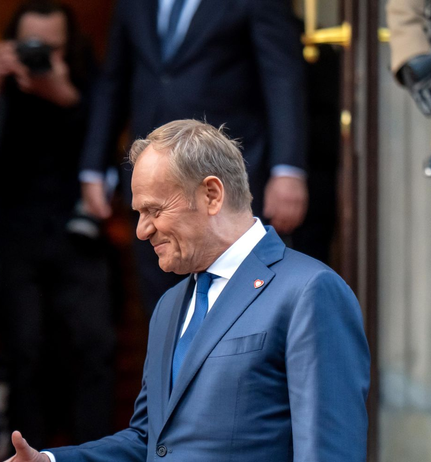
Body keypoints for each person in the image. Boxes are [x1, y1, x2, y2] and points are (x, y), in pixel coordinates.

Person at [0, 120, 369, 462]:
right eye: (138, 212)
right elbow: (152, 440)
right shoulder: (171, 306)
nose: (141, 229)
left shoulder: (308, 292)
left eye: (154, 210)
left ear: (212, 195)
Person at [79, 0, 309, 314]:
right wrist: (93, 167)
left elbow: (281, 77)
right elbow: (114, 80)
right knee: (163, 297)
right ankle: (173, 364)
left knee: (238, 300)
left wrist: (288, 170)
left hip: (225, 176)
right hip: (152, 179)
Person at [0, 0, 115, 449]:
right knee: (24, 349)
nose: (42, 56)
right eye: (32, 45)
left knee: (94, 344)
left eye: (53, 46)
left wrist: (67, 97)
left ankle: (95, 460)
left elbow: (107, 145)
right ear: (11, 43)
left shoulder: (90, 76)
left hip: (77, 226)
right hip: (15, 228)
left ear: (69, 45)